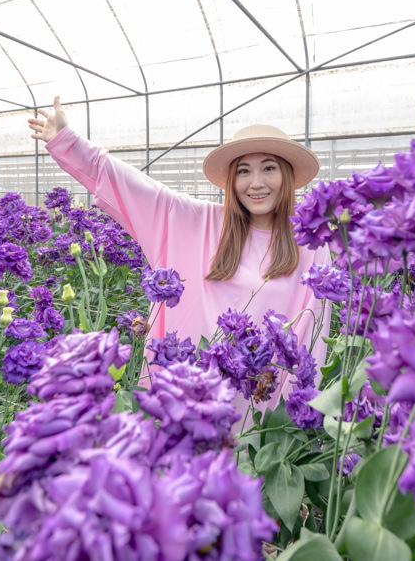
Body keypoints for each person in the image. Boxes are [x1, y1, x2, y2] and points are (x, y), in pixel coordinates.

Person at [29, 96, 331, 408]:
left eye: (269, 168)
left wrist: (293, 423)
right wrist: (69, 142)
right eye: (243, 171)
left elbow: (311, 342)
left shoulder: (310, 247)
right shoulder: (199, 221)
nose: (255, 183)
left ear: (286, 176)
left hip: (260, 417)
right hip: (188, 405)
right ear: (232, 179)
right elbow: (132, 185)